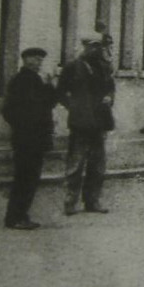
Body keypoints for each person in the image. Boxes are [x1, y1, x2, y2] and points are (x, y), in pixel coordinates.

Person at [57, 33, 115, 215]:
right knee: (75, 165)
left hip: (99, 122)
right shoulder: (73, 67)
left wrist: (109, 98)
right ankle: (70, 202)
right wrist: (73, 107)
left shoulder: (104, 67)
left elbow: (111, 88)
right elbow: (60, 92)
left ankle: (92, 201)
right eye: (92, 46)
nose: (96, 50)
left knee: (97, 166)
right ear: (85, 47)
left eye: (99, 46)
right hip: (81, 123)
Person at [1, 46, 55, 230]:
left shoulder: (37, 80)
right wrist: (24, 126)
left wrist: (49, 85)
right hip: (27, 138)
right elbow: (9, 110)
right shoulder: (21, 81)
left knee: (29, 178)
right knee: (25, 178)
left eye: (41, 59)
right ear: (26, 60)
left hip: (35, 137)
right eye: (36, 59)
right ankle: (15, 218)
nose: (39, 62)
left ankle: (20, 215)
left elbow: (49, 103)